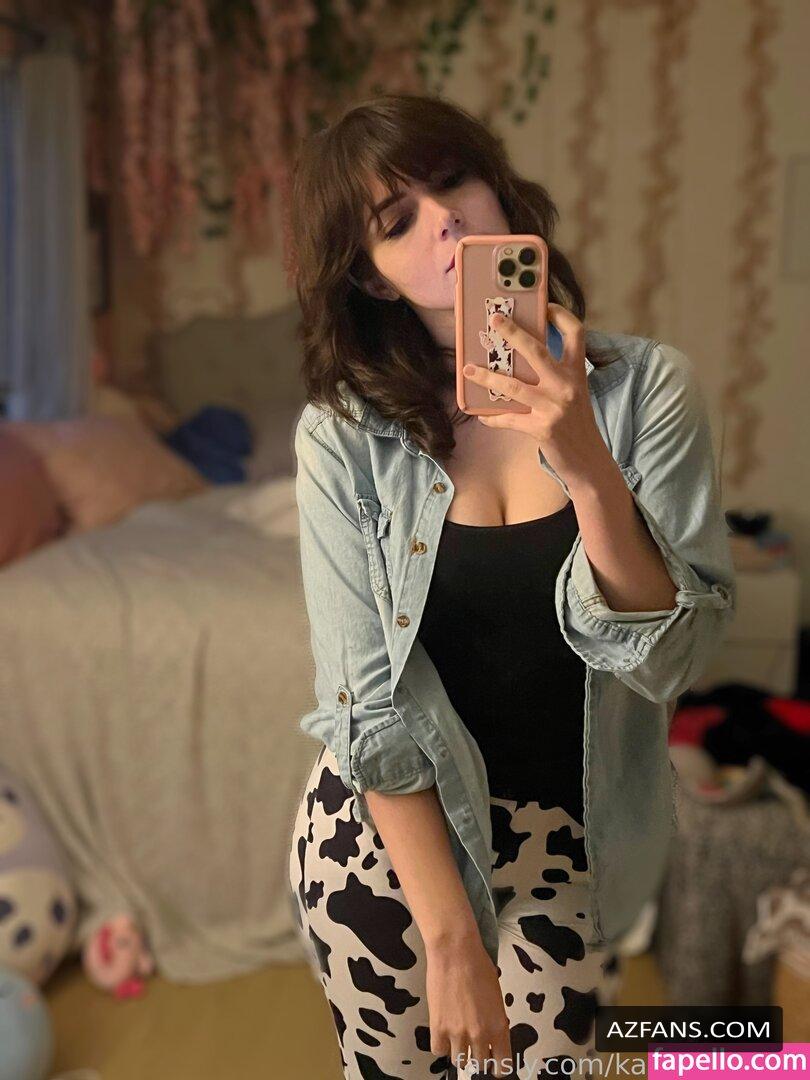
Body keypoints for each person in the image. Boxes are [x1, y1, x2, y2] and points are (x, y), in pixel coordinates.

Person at [287, 93, 735, 1079]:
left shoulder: (647, 391)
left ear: (499, 191)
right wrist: (451, 940)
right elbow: (367, 705)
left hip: (568, 836)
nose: (443, 219)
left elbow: (675, 661)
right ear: (370, 274)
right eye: (396, 220)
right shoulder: (343, 438)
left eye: (453, 182)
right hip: (388, 840)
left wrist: (585, 463)